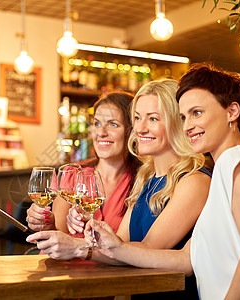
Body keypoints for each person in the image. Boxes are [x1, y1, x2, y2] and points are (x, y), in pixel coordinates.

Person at [87, 63, 240, 299]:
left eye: (197, 113)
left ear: (232, 112)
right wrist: (109, 247)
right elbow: (185, 260)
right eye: (183, 116)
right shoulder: (222, 171)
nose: (188, 125)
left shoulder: (236, 160)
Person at [27, 79, 211, 299]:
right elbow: (121, 242)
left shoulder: (194, 181)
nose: (140, 128)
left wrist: (78, 247)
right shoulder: (147, 178)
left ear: (175, 122)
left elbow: (147, 247)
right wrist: (91, 227)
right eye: (137, 118)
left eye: (153, 119)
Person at [26, 91, 140, 234]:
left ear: (132, 131)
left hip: (111, 257)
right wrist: (43, 223)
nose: (101, 132)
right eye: (97, 124)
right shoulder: (71, 174)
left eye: (113, 124)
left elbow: (129, 246)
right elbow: (57, 234)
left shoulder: (141, 182)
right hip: (63, 257)